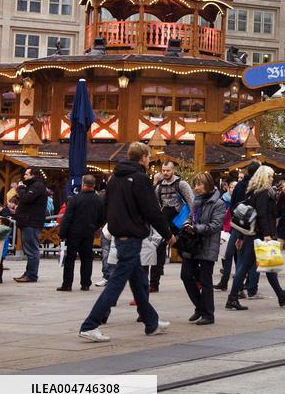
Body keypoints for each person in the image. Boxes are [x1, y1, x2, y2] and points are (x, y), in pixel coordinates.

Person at [79, 142, 174, 342]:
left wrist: (107, 226)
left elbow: (106, 205)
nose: (149, 161)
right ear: (143, 158)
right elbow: (151, 210)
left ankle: (151, 322)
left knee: (139, 283)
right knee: (116, 283)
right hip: (131, 236)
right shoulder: (140, 179)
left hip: (121, 235)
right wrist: (167, 234)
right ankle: (90, 324)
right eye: (148, 157)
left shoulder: (114, 178)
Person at [225, 166, 285, 311]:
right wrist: (266, 235)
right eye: (270, 176)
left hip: (252, 234)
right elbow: (262, 215)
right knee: (245, 266)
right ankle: (232, 298)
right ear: (264, 178)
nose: (272, 179)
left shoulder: (253, 191)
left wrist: (241, 236)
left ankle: (281, 295)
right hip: (258, 235)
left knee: (269, 266)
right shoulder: (264, 193)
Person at [180, 172, 225, 326]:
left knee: (205, 280)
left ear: (208, 185)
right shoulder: (196, 201)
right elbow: (189, 216)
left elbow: (215, 226)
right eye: (195, 184)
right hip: (192, 245)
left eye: (199, 184)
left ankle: (208, 314)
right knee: (186, 275)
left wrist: (196, 228)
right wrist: (187, 224)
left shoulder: (218, 203)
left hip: (207, 246)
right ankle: (199, 307)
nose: (196, 188)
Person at [215, 160, 260, 291]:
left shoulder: (240, 186)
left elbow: (234, 204)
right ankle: (247, 286)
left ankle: (231, 284)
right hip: (251, 225)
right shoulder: (255, 186)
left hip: (237, 223)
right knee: (248, 257)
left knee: (234, 255)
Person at [151, 161, 194, 292]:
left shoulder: (181, 184)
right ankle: (154, 284)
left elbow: (191, 203)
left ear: (173, 170)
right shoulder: (159, 187)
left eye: (168, 170)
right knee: (158, 250)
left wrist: (189, 221)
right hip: (165, 222)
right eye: (163, 170)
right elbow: (159, 205)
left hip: (180, 222)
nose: (165, 173)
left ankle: (196, 279)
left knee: (186, 251)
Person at [57, 174, 105, 292]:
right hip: (89, 231)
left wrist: (62, 233)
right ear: (94, 185)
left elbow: (67, 218)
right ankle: (85, 283)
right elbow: (103, 216)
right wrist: (96, 227)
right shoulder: (99, 199)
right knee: (87, 258)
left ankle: (67, 284)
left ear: (83, 184)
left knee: (70, 259)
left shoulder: (74, 199)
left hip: (74, 232)